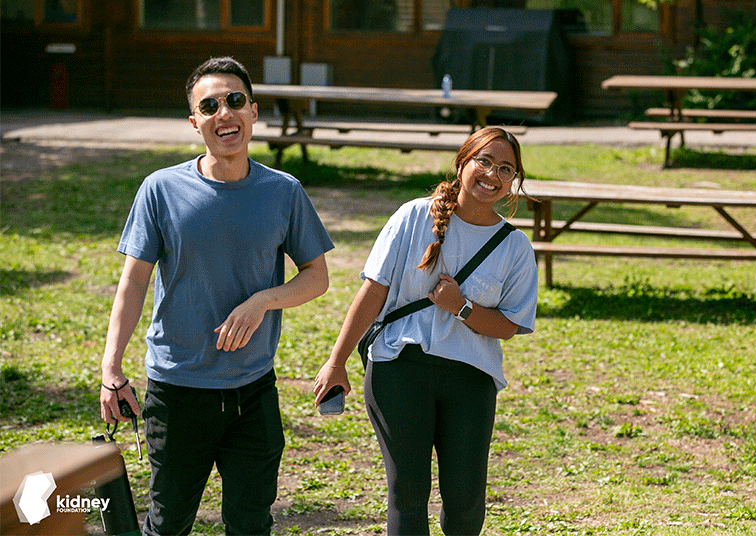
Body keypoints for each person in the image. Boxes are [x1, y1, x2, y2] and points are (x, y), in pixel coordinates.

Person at [100, 56, 334, 536]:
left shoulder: (283, 191)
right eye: (209, 105)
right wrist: (111, 370)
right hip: (178, 389)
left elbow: (317, 276)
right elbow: (133, 283)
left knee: (251, 525)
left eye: (234, 101)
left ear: (253, 110)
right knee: (168, 525)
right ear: (195, 122)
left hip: (254, 390)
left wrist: (263, 300)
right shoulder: (160, 190)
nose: (223, 113)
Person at [314, 127, 538, 535]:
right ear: (462, 163)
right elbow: (374, 290)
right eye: (484, 161)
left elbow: (508, 325)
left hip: (471, 379)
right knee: (408, 495)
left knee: (466, 501)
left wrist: (462, 307)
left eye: (505, 168)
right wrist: (336, 361)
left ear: (514, 181)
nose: (492, 174)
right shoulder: (414, 215)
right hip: (401, 368)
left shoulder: (515, 246)